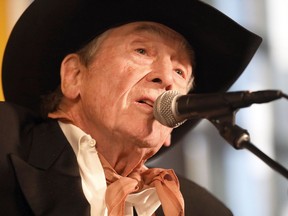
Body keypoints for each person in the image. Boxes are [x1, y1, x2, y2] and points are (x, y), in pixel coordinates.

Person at [0, 0, 262, 215]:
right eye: (142, 51)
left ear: (173, 123)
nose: (167, 78)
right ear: (75, 75)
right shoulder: (5, 140)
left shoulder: (204, 211)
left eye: (180, 71)